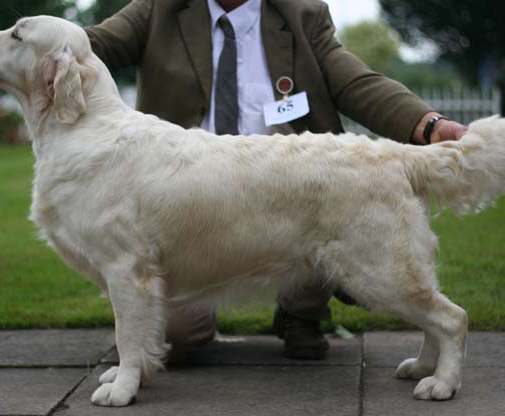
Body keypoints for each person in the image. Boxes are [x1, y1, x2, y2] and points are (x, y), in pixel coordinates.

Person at [84, 0, 468, 360]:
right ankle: (204, 314)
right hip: (187, 199)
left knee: (326, 209)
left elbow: (353, 81)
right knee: (178, 338)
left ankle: (301, 312)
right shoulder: (159, 7)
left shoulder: (299, 12)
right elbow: (94, 44)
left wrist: (428, 124)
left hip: (288, 194)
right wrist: (32, 37)